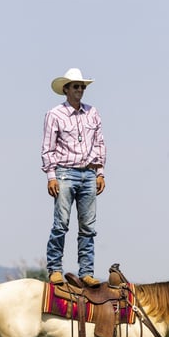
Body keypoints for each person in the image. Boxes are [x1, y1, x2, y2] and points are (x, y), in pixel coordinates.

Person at [41, 67, 106, 287]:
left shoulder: (92, 113)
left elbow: (99, 144)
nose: (80, 90)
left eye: (82, 86)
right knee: (61, 223)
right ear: (66, 89)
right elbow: (47, 148)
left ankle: (86, 272)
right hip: (65, 173)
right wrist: (51, 176)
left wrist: (100, 172)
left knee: (88, 226)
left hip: (88, 172)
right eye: (76, 86)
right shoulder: (54, 115)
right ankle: (55, 269)